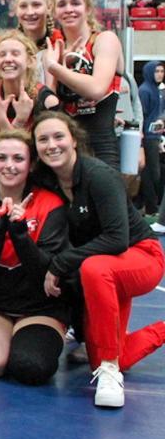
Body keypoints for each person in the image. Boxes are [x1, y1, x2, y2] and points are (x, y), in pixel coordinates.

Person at [33, 112, 165, 407]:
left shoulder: (98, 175)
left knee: (92, 267)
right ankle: (113, 358)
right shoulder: (48, 179)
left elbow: (117, 239)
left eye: (58, 137)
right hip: (105, 269)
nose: (51, 145)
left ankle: (109, 369)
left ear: (74, 141)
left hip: (140, 256)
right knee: (115, 355)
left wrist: (60, 263)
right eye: (43, 139)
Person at [0, 129, 69, 385]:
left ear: (31, 164)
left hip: (39, 307)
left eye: (18, 159)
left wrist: (20, 233)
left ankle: (24, 341)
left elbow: (46, 272)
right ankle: (0, 339)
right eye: (2, 158)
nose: (9, 166)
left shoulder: (51, 205)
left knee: (30, 367)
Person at [43, 0, 123, 169]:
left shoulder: (105, 39)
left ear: (88, 9)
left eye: (75, 3)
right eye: (62, 4)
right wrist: (58, 66)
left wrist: (56, 69)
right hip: (65, 150)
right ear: (54, 12)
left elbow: (96, 88)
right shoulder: (54, 49)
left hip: (102, 148)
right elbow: (50, 105)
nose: (69, 9)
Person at [0, 31, 60, 145]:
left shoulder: (47, 100)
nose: (8, 59)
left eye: (15, 54)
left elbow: (31, 156)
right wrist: (13, 122)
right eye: (2, 55)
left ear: (30, 61)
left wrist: (12, 121)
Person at [138, 61, 164, 216]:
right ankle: (150, 208)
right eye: (157, 71)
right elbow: (143, 115)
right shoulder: (145, 91)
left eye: (162, 71)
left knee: (155, 172)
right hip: (147, 137)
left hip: (155, 135)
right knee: (151, 173)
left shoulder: (158, 91)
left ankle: (151, 206)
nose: (160, 74)